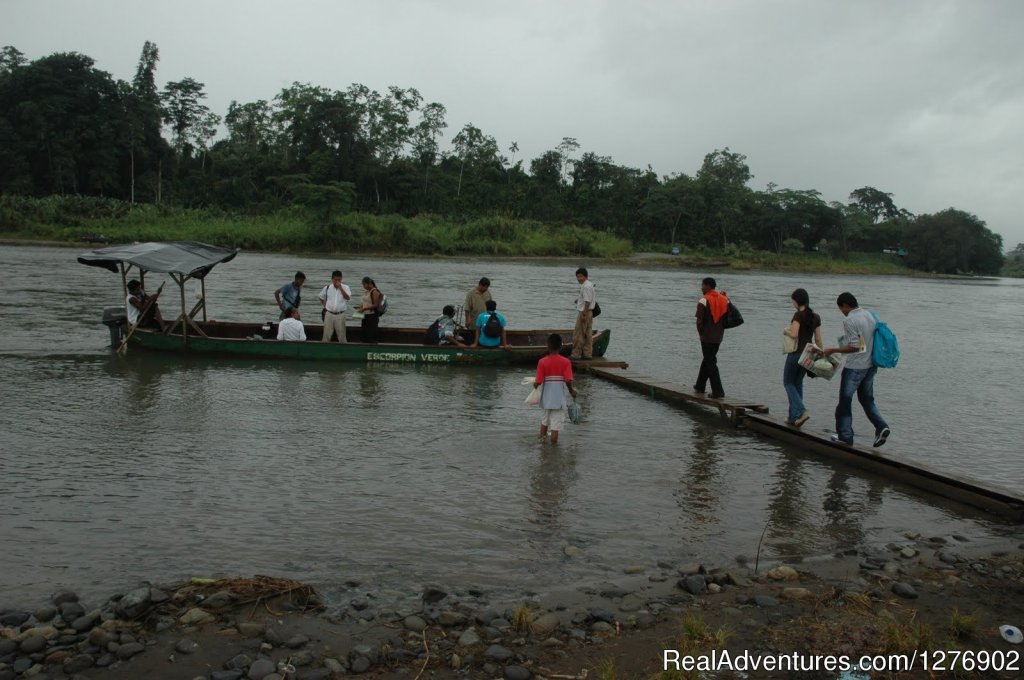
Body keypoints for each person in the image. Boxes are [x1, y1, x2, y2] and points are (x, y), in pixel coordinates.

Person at [822, 292, 891, 447]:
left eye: (841, 308)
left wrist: (833, 350)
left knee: (845, 401)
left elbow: (856, 346)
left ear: (845, 305)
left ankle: (845, 436)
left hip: (855, 367)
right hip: (871, 366)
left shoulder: (850, 320)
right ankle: (881, 426)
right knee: (867, 400)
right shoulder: (870, 315)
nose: (842, 311)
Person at [782, 288, 823, 428]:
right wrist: (820, 355)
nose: (792, 303)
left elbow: (794, 334)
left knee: (787, 382)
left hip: (796, 352)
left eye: (792, 300)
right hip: (809, 353)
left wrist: (785, 331)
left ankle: (801, 410)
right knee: (797, 382)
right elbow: (818, 339)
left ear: (796, 300)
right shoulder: (816, 316)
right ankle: (793, 417)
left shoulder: (798, 315)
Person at [534, 333, 578, 444]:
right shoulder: (566, 362)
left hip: (545, 400)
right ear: (561, 346)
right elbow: (568, 380)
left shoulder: (542, 362)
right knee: (555, 427)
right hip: (558, 401)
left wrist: (534, 385)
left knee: (544, 423)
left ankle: (542, 448)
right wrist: (572, 391)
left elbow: (538, 382)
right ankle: (554, 451)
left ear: (548, 345)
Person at [693, 277, 728, 399]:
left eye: (702, 285)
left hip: (707, 337)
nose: (701, 287)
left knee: (711, 362)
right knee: (708, 359)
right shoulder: (724, 299)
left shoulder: (704, 300)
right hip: (718, 336)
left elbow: (699, 321)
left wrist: (701, 334)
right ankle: (700, 385)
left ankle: (718, 391)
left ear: (708, 286)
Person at [570, 267, 596, 360]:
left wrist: (583, 314)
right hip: (589, 312)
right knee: (588, 334)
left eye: (581, 276)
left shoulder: (586, 286)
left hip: (585, 312)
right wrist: (578, 300)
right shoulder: (588, 285)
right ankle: (587, 354)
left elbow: (588, 302)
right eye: (577, 276)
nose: (578, 278)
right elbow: (587, 299)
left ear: (585, 276)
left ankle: (576, 355)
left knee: (579, 333)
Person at [319, 269, 351, 343]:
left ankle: (343, 350)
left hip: (340, 314)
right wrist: (325, 305)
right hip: (329, 314)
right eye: (335, 279)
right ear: (332, 279)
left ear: (341, 279)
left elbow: (348, 297)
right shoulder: (327, 288)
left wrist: (340, 288)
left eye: (339, 280)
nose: (337, 281)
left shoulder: (346, 287)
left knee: (342, 336)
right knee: (326, 335)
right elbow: (321, 297)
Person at [355, 276, 383, 343]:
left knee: (371, 334)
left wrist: (365, 308)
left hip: (372, 316)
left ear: (369, 283)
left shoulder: (374, 291)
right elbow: (365, 302)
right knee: (364, 334)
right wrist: (360, 306)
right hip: (365, 316)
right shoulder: (367, 291)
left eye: (364, 284)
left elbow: (376, 305)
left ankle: (372, 349)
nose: (363, 286)